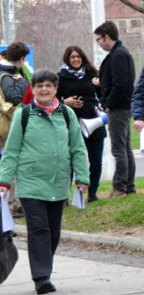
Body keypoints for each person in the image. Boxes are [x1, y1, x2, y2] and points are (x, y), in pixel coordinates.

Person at [0, 69, 89, 294]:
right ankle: (42, 278)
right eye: (39, 85)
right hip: (31, 182)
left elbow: (78, 148)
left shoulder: (67, 114)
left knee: (53, 231)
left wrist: (82, 177)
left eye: (48, 85)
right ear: (34, 89)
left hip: (59, 182)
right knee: (38, 229)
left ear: (56, 89)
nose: (44, 89)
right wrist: (4, 181)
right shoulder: (24, 115)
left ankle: (43, 267)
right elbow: (11, 151)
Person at [94, 21, 136, 198]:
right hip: (123, 106)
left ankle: (120, 187)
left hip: (118, 107)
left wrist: (108, 102)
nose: (99, 43)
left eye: (99, 40)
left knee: (119, 148)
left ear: (107, 37)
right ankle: (129, 185)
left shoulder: (117, 55)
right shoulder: (121, 53)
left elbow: (120, 84)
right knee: (125, 148)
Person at [57, 46, 104, 202]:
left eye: (78, 56)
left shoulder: (92, 73)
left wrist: (99, 86)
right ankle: (65, 196)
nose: (76, 59)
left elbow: (102, 96)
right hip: (72, 121)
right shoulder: (61, 76)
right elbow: (53, 100)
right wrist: (66, 102)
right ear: (67, 59)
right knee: (69, 159)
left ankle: (92, 192)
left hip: (93, 121)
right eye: (72, 57)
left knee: (96, 158)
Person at [0, 42, 33, 217]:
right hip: (6, 126)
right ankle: (13, 205)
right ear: (21, 59)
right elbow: (14, 97)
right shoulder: (6, 75)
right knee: (11, 163)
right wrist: (21, 83)